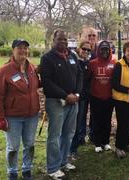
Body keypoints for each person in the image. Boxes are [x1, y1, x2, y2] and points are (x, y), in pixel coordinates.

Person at [0, 39, 40, 180]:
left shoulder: (31, 68)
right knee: (13, 147)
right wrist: (0, 117)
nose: (23, 51)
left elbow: (36, 85)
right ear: (13, 50)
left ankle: (27, 169)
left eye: (25, 48)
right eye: (19, 48)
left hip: (32, 114)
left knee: (30, 144)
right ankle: (12, 171)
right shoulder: (4, 71)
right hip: (13, 116)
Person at [40, 29, 82, 179]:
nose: (63, 42)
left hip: (73, 102)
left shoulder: (72, 56)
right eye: (60, 39)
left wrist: (76, 94)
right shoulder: (47, 59)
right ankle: (53, 168)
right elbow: (47, 83)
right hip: (56, 102)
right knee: (55, 135)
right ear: (53, 40)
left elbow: (79, 75)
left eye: (65, 39)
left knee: (68, 134)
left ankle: (63, 162)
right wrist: (65, 95)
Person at [88, 40, 115, 153]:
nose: (104, 51)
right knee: (97, 121)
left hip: (109, 97)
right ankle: (97, 143)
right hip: (96, 97)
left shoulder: (114, 63)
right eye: (102, 49)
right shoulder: (92, 63)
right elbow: (88, 79)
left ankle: (106, 142)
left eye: (106, 49)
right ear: (98, 50)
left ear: (109, 51)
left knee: (107, 120)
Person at [70, 41, 92, 160]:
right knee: (73, 124)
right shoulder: (74, 61)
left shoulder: (87, 62)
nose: (86, 51)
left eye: (89, 50)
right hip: (74, 97)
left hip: (84, 97)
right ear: (79, 48)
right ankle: (71, 150)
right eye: (84, 49)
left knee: (80, 122)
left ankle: (77, 144)